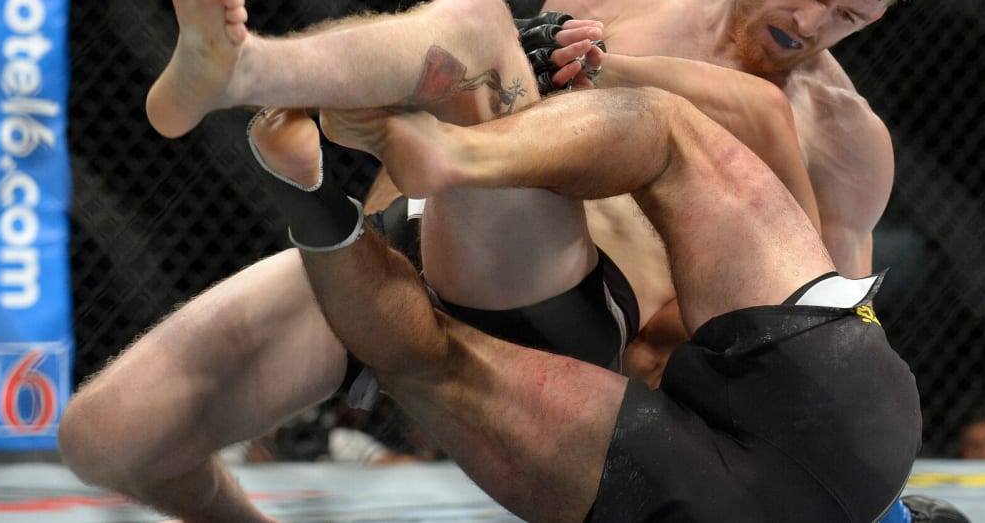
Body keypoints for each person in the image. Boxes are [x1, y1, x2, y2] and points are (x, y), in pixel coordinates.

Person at [59, 0, 956, 521]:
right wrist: (371, 267)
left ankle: (252, 66)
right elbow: (484, 111)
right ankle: (240, 72)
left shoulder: (842, 141)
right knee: (106, 437)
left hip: (578, 328)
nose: (813, 23)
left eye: (850, 17)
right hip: (454, 233)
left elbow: (796, 355)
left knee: (484, 25)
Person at [245, 83, 921, 522]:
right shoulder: (802, 114)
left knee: (670, 135)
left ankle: (451, 156)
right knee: (427, 359)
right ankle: (310, 194)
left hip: (864, 443)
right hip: (767, 468)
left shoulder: (810, 121)